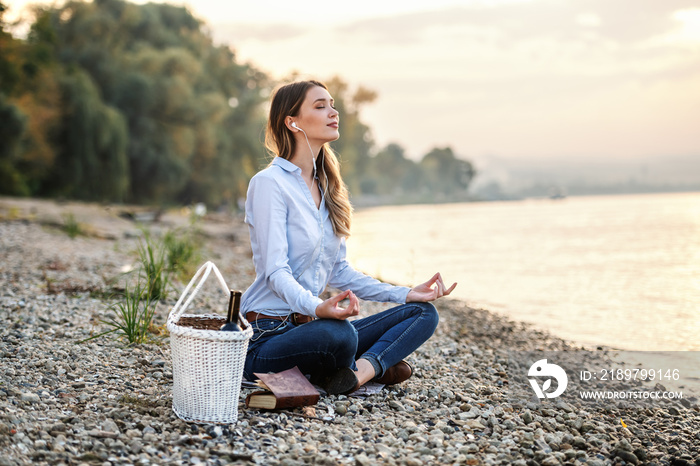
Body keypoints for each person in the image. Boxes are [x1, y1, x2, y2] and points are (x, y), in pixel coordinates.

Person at [241, 79, 457, 395]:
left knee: (422, 313)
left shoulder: (328, 187)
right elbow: (275, 272)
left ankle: (357, 375)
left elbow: (340, 272)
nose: (333, 112)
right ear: (292, 121)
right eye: (320, 106)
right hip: (266, 337)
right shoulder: (269, 184)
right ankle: (361, 364)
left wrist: (406, 293)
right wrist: (318, 308)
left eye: (332, 104)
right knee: (340, 336)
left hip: (310, 327)